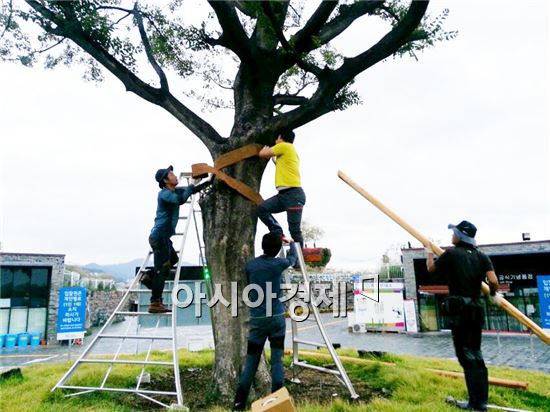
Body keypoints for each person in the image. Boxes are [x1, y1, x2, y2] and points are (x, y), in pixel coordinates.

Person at [426, 220, 500, 411]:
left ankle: (475, 403)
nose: (452, 235)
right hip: (477, 308)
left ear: (460, 236)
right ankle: (481, 400)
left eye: (454, 233)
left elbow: (431, 269)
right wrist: (492, 294)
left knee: (465, 355)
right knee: (476, 352)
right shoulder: (481, 256)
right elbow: (493, 281)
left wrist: (428, 252)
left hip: (460, 310)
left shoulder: (451, 253)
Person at [233, 233, 298, 411]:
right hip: (277, 319)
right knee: (277, 361)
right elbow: (293, 259)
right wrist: (291, 243)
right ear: (278, 249)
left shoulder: (251, 265)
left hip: (258, 322)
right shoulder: (279, 264)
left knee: (250, 364)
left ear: (262, 246)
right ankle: (278, 404)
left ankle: (238, 404)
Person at [141, 166, 209, 313]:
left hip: (163, 237)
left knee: (173, 259)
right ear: (165, 180)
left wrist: (211, 180)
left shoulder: (173, 190)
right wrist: (192, 185)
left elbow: (191, 191)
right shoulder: (164, 194)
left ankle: (148, 276)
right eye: (171, 174)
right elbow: (180, 199)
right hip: (159, 236)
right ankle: (155, 303)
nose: (174, 175)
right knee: (163, 269)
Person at [258, 130, 306, 248]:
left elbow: (262, 154)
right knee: (262, 209)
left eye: (276, 138)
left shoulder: (285, 146)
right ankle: (277, 231)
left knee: (294, 230)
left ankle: (300, 260)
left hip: (293, 195)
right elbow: (275, 160)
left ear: (281, 137)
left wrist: (264, 150)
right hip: (283, 195)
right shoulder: (287, 152)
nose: (275, 140)